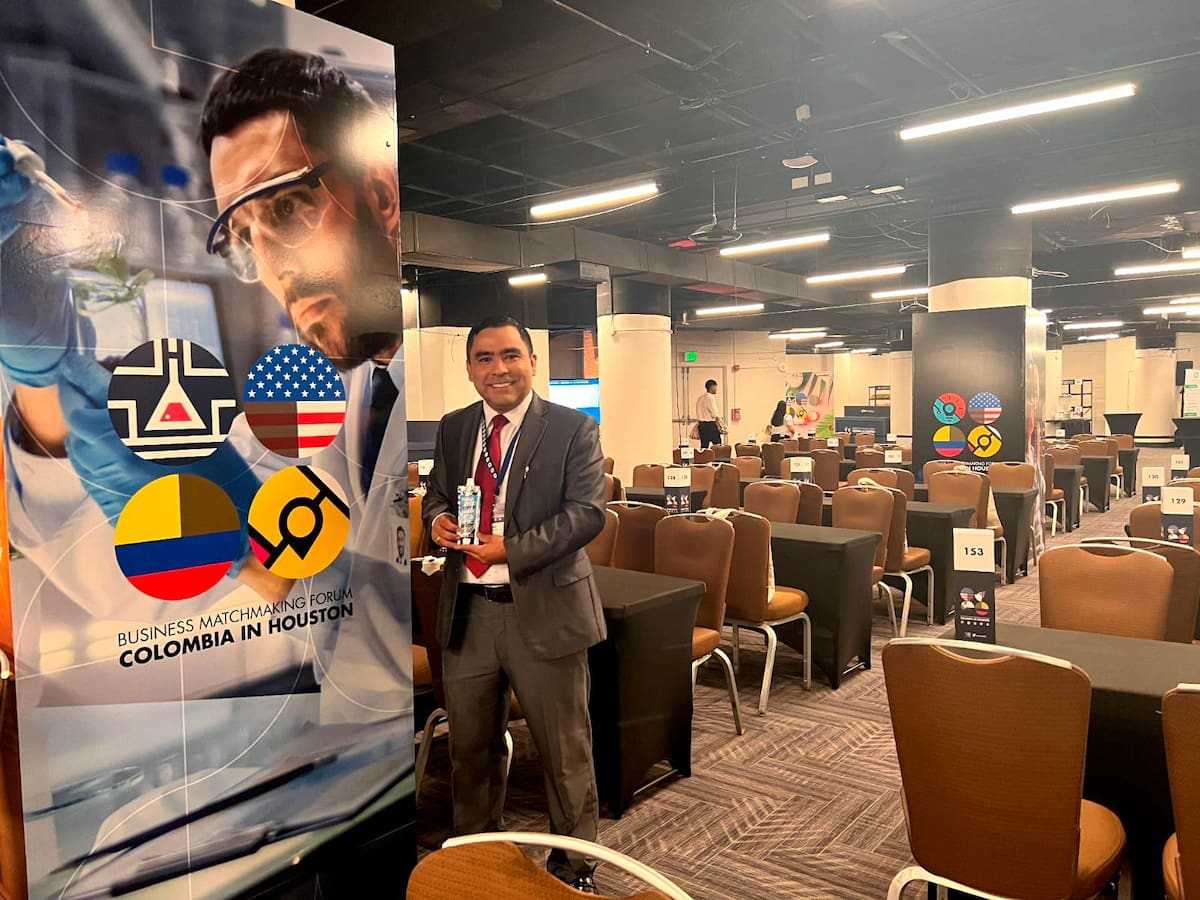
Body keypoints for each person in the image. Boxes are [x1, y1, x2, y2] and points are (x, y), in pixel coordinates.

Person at [0, 49, 410, 720]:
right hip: (359, 738)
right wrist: (46, 374)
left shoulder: (430, 389)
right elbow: (146, 585)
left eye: (287, 207)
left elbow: (403, 627)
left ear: (384, 197)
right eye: (243, 237)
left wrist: (279, 560)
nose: (275, 266)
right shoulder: (306, 411)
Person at [423, 315, 607, 893]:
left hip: (545, 611)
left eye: (509, 356)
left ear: (532, 362)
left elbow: (587, 514)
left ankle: (573, 872)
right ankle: (477, 860)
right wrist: (438, 520)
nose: (497, 369)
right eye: (484, 358)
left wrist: (511, 548)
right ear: (470, 369)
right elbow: (436, 494)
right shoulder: (455, 427)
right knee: (470, 751)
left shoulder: (573, 428)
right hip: (469, 612)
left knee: (564, 754)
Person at [695, 378, 724, 449]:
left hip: (701, 425)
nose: (716, 389)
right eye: (715, 387)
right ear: (712, 387)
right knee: (718, 445)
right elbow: (714, 414)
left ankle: (704, 456)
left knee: (704, 446)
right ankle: (718, 456)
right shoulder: (710, 398)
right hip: (710, 425)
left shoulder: (700, 398)